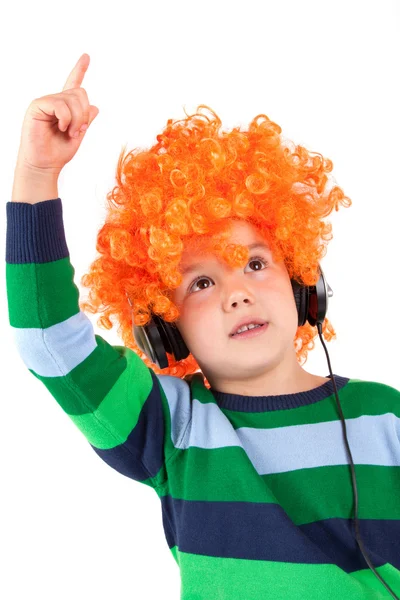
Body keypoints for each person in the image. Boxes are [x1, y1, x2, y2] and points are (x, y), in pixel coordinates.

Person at [6, 52, 400, 600]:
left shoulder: (386, 415)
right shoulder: (174, 426)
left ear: (304, 283)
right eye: (201, 283)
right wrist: (37, 173)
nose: (237, 293)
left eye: (256, 265)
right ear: (163, 329)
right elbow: (49, 343)